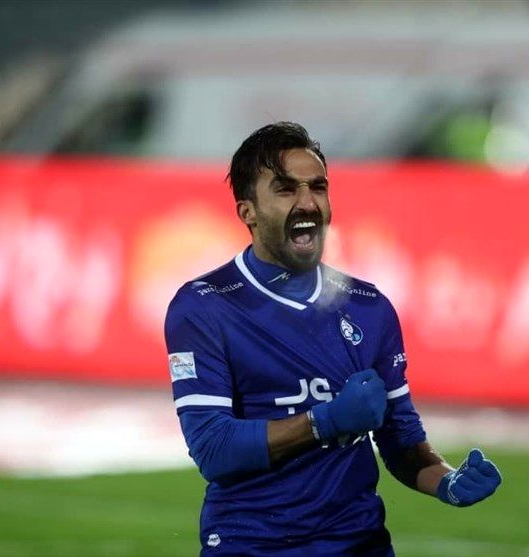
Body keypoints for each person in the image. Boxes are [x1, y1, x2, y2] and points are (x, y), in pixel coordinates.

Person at [164, 122, 501, 556]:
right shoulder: (205, 306)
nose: (307, 202)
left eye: (318, 187)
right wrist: (323, 421)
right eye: (286, 189)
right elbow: (213, 449)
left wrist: (447, 481)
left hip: (359, 544)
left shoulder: (368, 307)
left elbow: (400, 439)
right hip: (252, 546)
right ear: (247, 211)